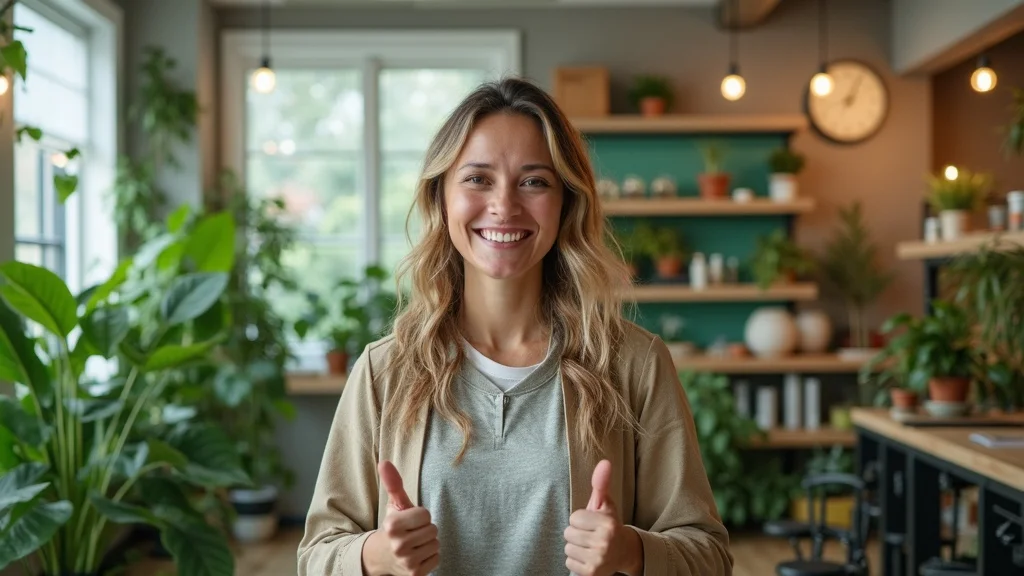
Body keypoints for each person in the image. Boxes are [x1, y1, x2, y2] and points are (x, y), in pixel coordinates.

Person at [298, 77, 732, 576]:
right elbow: (315, 556)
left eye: (534, 181)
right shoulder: (383, 371)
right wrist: (371, 556)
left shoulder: (635, 364)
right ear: (441, 197)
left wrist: (632, 552)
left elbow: (709, 555)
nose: (504, 205)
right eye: (478, 178)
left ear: (567, 201)